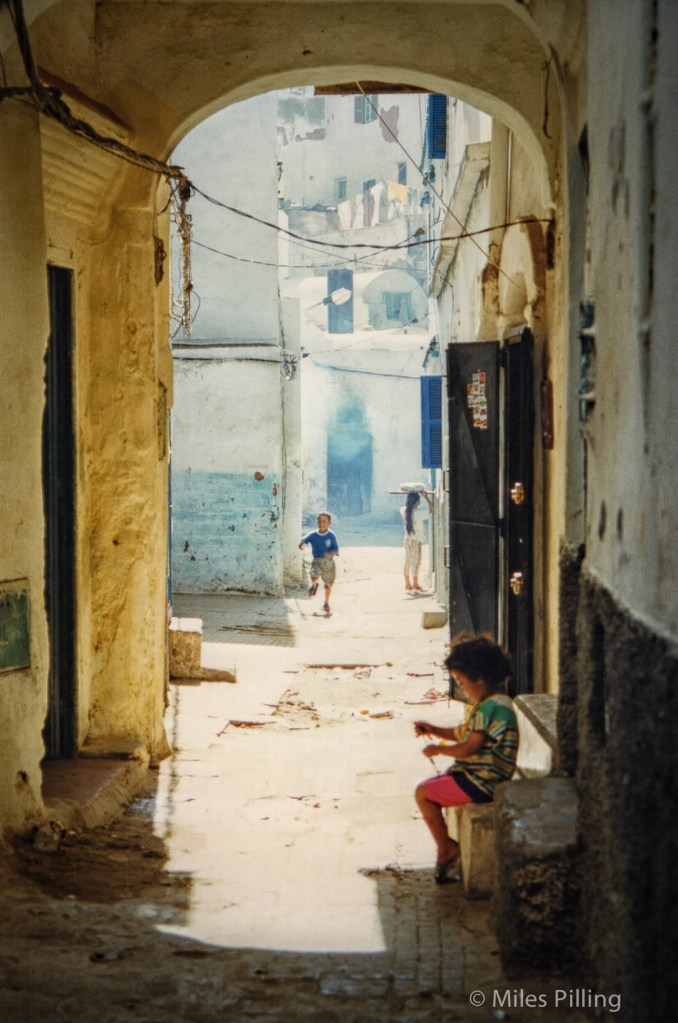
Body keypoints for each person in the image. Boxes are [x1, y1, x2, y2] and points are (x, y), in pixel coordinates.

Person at [413, 634, 518, 885]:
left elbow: (469, 747)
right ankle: (446, 847)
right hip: (486, 779)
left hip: (483, 782)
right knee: (434, 787)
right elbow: (463, 733)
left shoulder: (489, 708)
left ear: (479, 679)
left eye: (461, 682)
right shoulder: (498, 705)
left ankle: (446, 848)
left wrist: (438, 750)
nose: (461, 689)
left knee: (423, 794)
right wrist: (434, 730)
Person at [298, 512, 339, 614]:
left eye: (324, 521)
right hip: (317, 560)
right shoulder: (313, 535)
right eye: (319, 521)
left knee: (327, 585)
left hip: (329, 564)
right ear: (317, 522)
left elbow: (336, 549)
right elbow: (304, 539)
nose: (321, 523)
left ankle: (326, 603)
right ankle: (314, 585)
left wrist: (331, 554)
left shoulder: (331, 535)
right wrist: (301, 544)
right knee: (314, 575)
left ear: (329, 523)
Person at [399, 489, 433, 591]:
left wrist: (411, 496)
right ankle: (415, 584)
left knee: (408, 561)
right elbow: (432, 509)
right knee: (416, 562)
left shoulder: (404, 511)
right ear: (417, 502)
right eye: (419, 500)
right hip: (416, 541)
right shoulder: (418, 513)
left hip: (407, 540)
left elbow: (403, 507)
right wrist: (426, 497)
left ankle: (407, 584)